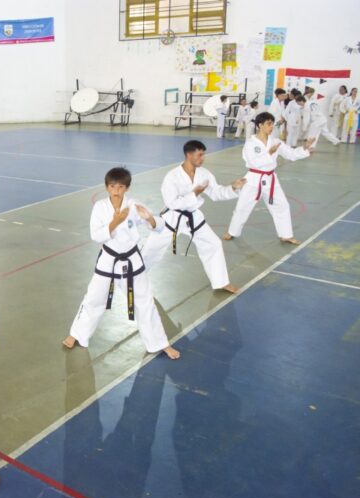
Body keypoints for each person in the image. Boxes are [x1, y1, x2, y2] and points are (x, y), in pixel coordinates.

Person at [61, 167, 180, 360]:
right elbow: (95, 235)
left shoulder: (134, 205)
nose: (116, 190)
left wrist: (149, 218)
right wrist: (115, 222)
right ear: (107, 187)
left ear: (127, 188)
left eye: (121, 186)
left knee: (144, 301)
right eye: (112, 186)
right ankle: (77, 333)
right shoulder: (100, 207)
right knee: (94, 298)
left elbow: (159, 227)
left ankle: (160, 343)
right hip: (108, 259)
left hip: (131, 260)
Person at [141, 140, 245, 293]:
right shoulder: (172, 176)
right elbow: (171, 203)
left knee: (213, 244)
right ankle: (133, 277)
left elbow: (216, 194)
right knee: (151, 249)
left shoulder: (204, 174)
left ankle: (221, 282)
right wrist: (194, 194)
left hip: (193, 218)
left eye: (204, 154)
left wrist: (233, 188)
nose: (203, 158)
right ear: (188, 155)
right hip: (172, 219)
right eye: (200, 155)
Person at [223, 112, 313, 245]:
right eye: (268, 124)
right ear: (260, 125)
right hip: (253, 179)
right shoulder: (250, 143)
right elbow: (253, 162)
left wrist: (304, 149)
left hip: (271, 179)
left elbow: (291, 154)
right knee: (242, 207)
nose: (271, 127)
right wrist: (269, 153)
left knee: (282, 206)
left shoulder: (275, 142)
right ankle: (232, 232)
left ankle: (286, 235)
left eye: (272, 124)